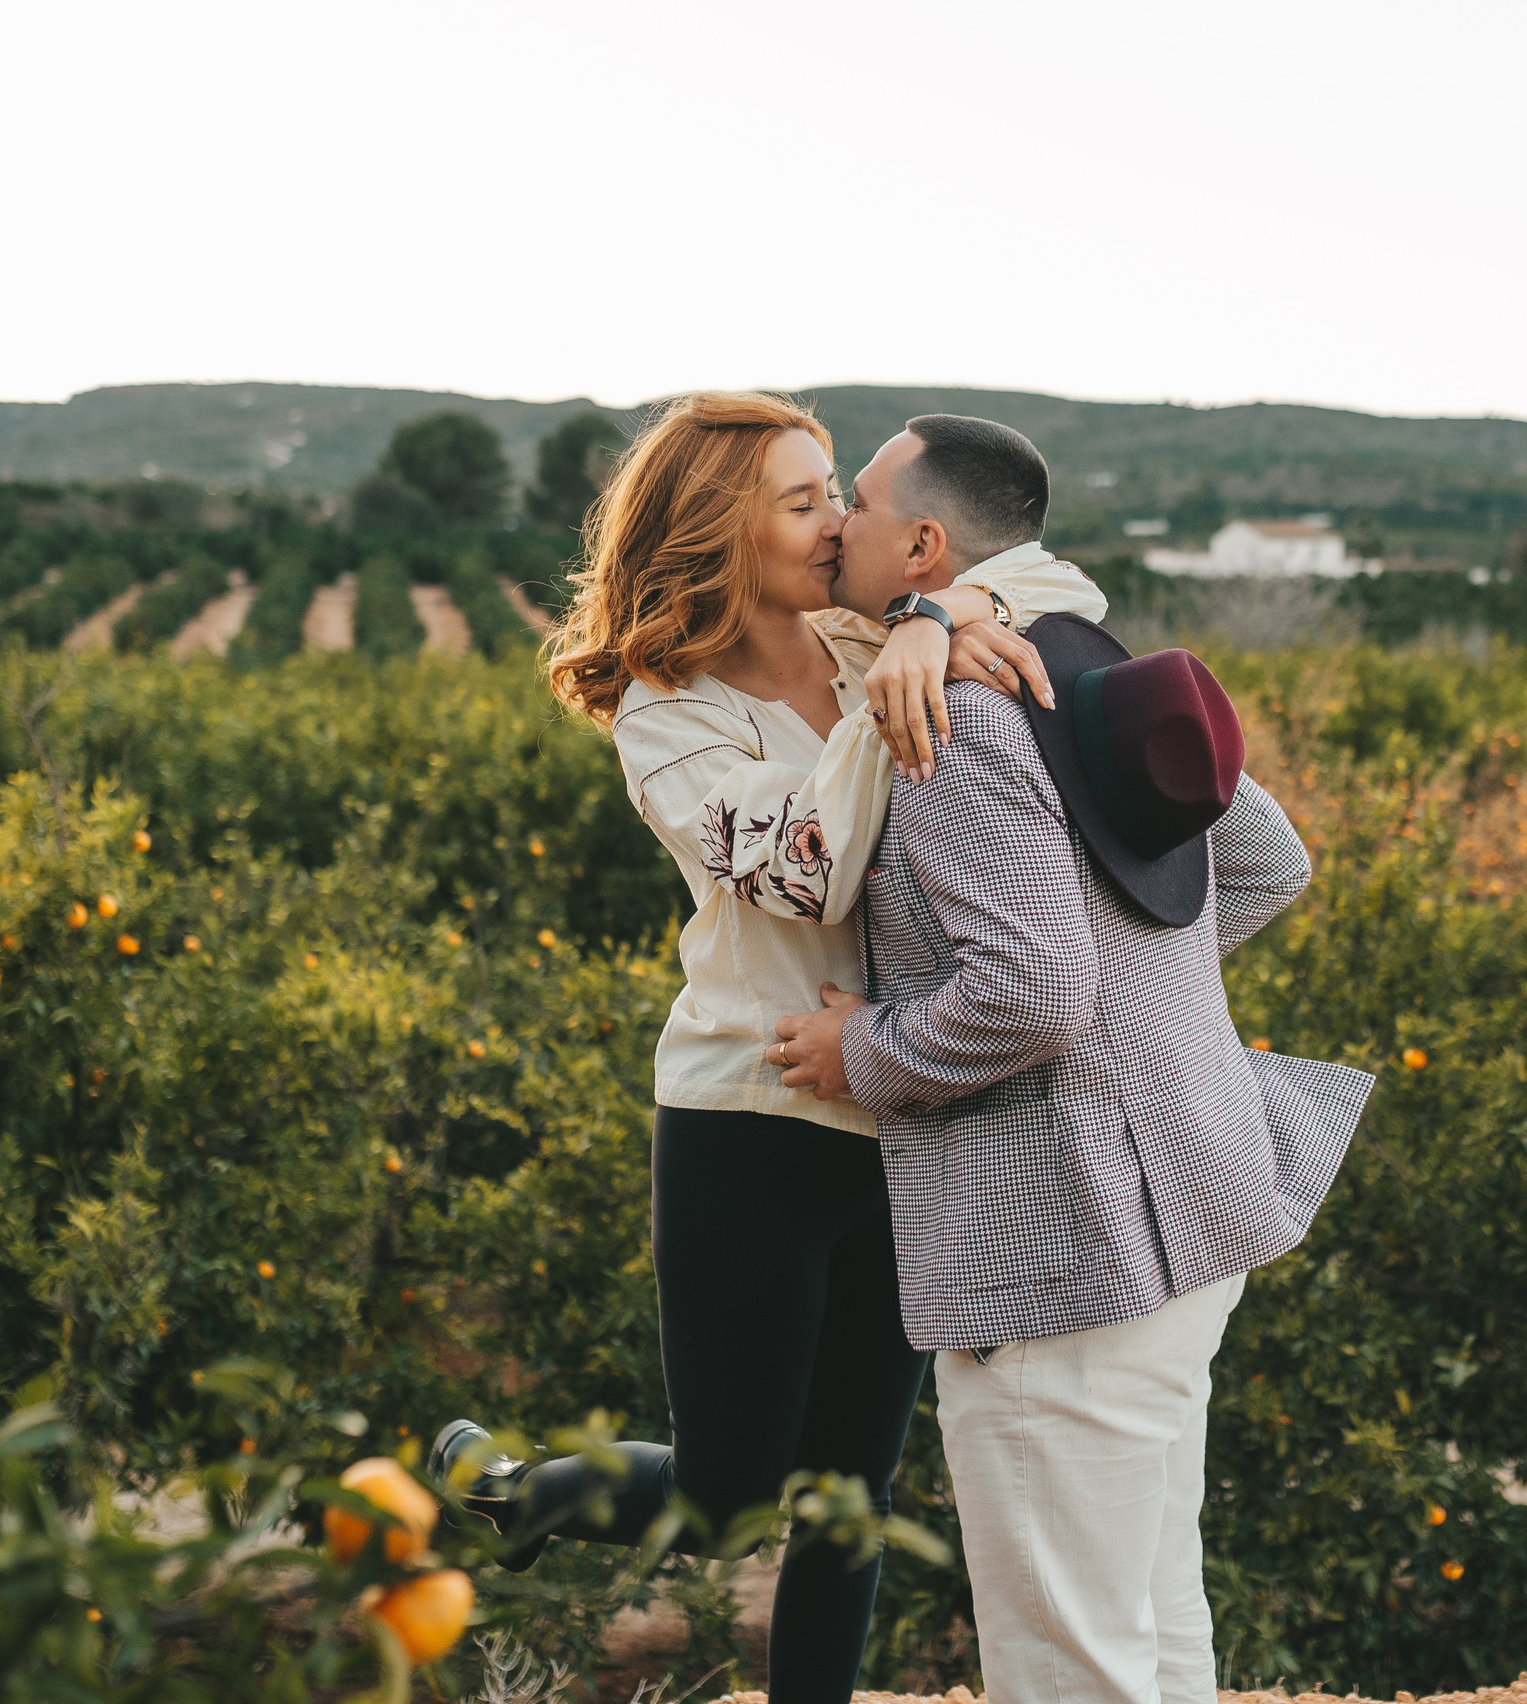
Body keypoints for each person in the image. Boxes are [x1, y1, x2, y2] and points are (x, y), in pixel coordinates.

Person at [428, 394, 1107, 1704]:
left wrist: (929, 616)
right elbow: (805, 872)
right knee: (732, 1493)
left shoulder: (871, 634)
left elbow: (1035, 584)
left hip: (904, 1099)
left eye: (834, 494)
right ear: (718, 529)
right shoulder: (665, 716)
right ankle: (514, 1488)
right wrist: (903, 671)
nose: (839, 522)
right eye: (803, 501)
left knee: (853, 1497)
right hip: (750, 1120)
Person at [770, 421, 1376, 1704]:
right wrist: (1133, 967)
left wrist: (860, 1045)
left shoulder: (946, 713)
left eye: (858, 506)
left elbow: (1035, 992)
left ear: (923, 544)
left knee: (1067, 1665)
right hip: (1198, 1200)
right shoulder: (1087, 675)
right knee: (1152, 1621)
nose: (837, 527)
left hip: (1066, 1246)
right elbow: (1266, 860)